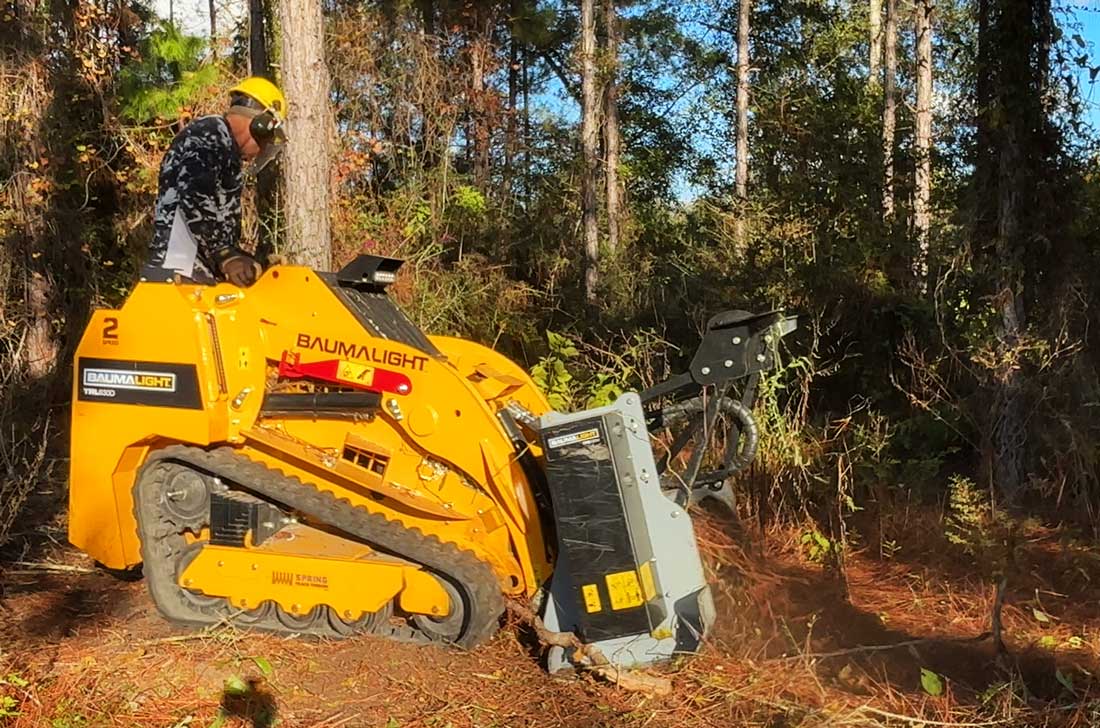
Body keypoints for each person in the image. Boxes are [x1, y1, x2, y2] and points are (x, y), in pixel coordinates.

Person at [144, 77, 287, 287]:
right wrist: (225, 255)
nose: (262, 150)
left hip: (196, 268)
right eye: (266, 140)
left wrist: (250, 262)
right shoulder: (210, 133)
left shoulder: (224, 145)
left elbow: (215, 224)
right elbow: (194, 196)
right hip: (179, 268)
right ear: (261, 126)